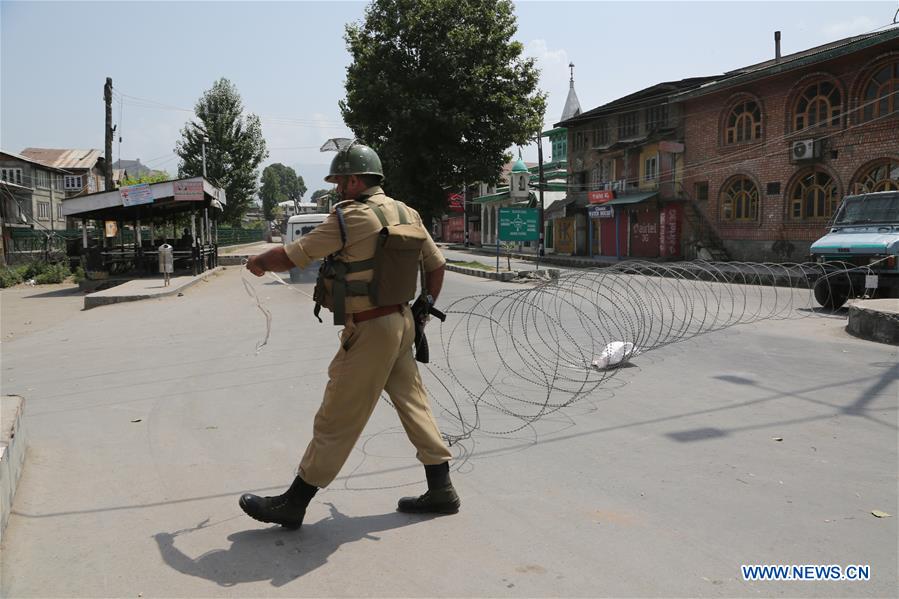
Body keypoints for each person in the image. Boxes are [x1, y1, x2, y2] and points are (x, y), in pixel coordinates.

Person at [239, 142, 459, 529]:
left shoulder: (350, 217)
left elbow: (293, 255)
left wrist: (258, 261)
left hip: (371, 329)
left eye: (341, 181)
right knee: (413, 404)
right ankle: (441, 489)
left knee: (337, 416)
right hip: (402, 320)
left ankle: (295, 501)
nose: (338, 189)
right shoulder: (407, 212)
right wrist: (424, 307)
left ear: (356, 180)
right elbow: (436, 265)